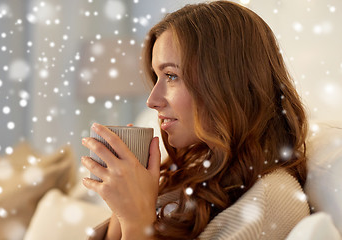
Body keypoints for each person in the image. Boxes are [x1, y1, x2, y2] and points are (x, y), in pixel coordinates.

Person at [81, 1, 310, 239]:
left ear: (227, 82)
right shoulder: (197, 175)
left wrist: (137, 220)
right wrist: (123, 208)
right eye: (157, 76)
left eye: (171, 75)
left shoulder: (270, 201)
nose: (152, 100)